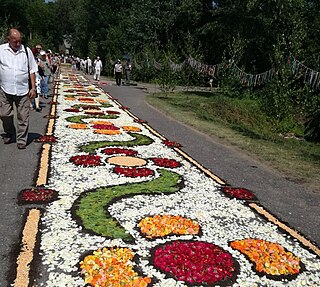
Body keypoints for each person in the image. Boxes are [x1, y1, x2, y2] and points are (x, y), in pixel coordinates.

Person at [0, 28, 37, 149]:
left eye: (19, 41)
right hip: (5, 89)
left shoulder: (26, 51)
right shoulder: (1, 50)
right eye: (15, 41)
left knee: (23, 116)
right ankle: (10, 132)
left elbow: (32, 70)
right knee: (5, 114)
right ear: (8, 39)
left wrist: (33, 88)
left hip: (22, 90)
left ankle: (21, 139)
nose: (18, 44)